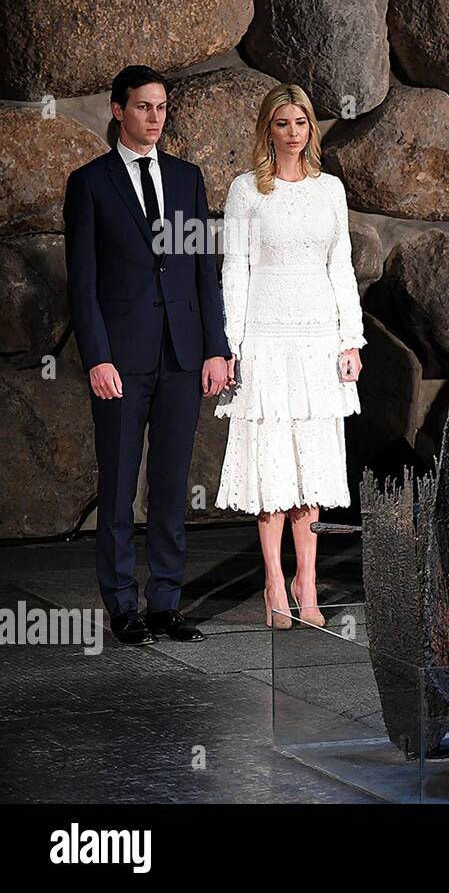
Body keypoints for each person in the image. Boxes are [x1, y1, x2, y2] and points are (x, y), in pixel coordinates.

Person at [64, 65, 230, 646]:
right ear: (118, 110)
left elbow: (204, 271)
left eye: (161, 107)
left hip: (184, 356)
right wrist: (97, 358)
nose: (155, 117)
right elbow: (82, 286)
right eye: (143, 107)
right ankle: (122, 606)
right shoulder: (89, 184)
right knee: (117, 485)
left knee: (170, 482)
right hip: (121, 360)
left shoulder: (188, 179)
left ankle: (164, 602)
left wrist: (216, 348)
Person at [214, 84, 366, 628]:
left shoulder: (330, 190)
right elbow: (235, 270)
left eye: (302, 123)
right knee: (272, 466)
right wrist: (232, 346)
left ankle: (307, 581)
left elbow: (341, 265)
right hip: (266, 339)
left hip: (319, 341)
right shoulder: (245, 191)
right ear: (268, 130)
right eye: (283, 123)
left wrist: (351, 339)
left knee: (312, 468)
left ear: (311, 130)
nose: (294, 132)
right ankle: (273, 581)